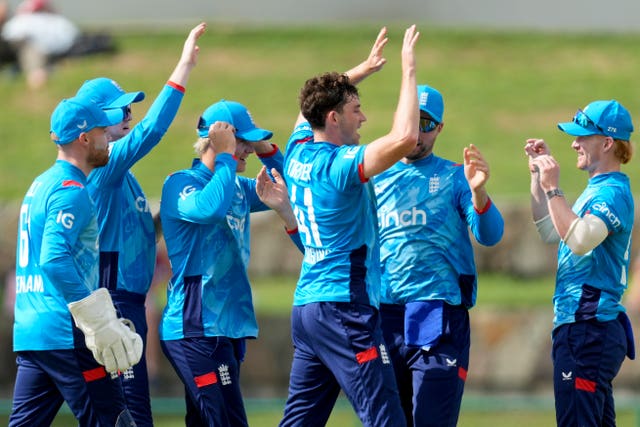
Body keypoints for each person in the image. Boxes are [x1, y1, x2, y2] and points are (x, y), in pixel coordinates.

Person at [279, 25, 419, 427]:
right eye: (356, 109)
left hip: (308, 308)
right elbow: (406, 137)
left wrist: (362, 70)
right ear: (334, 117)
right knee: (386, 417)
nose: (364, 117)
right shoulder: (338, 166)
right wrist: (408, 70)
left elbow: (307, 107)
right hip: (345, 308)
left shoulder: (297, 151)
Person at [72, 22, 206, 427]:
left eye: (129, 106)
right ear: (93, 123)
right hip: (114, 302)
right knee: (130, 416)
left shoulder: (121, 173)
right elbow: (152, 131)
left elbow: (133, 230)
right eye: (120, 109)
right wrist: (183, 68)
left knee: (125, 415)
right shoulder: (106, 164)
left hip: (127, 301)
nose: (129, 114)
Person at [159, 99, 296, 426]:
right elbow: (210, 209)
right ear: (220, 142)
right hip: (194, 329)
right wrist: (224, 157)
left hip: (226, 329)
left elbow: (292, 184)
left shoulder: (235, 186)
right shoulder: (181, 183)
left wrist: (264, 149)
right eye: (242, 142)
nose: (246, 149)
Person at [374, 84, 504, 426]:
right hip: (385, 315)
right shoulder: (373, 176)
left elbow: (490, 234)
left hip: (439, 313)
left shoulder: (454, 177)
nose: (417, 132)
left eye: (427, 124)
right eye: (411, 121)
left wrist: (479, 192)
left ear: (440, 128)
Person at [10, 96, 142, 426]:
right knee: (115, 422)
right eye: (102, 130)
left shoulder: (40, 183)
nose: (109, 137)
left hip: (32, 332)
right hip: (65, 331)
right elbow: (54, 259)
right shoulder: (71, 189)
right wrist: (96, 319)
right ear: (84, 138)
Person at [525, 99, 636, 426]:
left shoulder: (612, 193)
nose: (574, 143)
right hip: (585, 329)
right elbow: (549, 230)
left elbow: (580, 238)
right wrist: (537, 179)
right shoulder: (597, 190)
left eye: (582, 137)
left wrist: (554, 188)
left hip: (589, 329)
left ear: (607, 143)